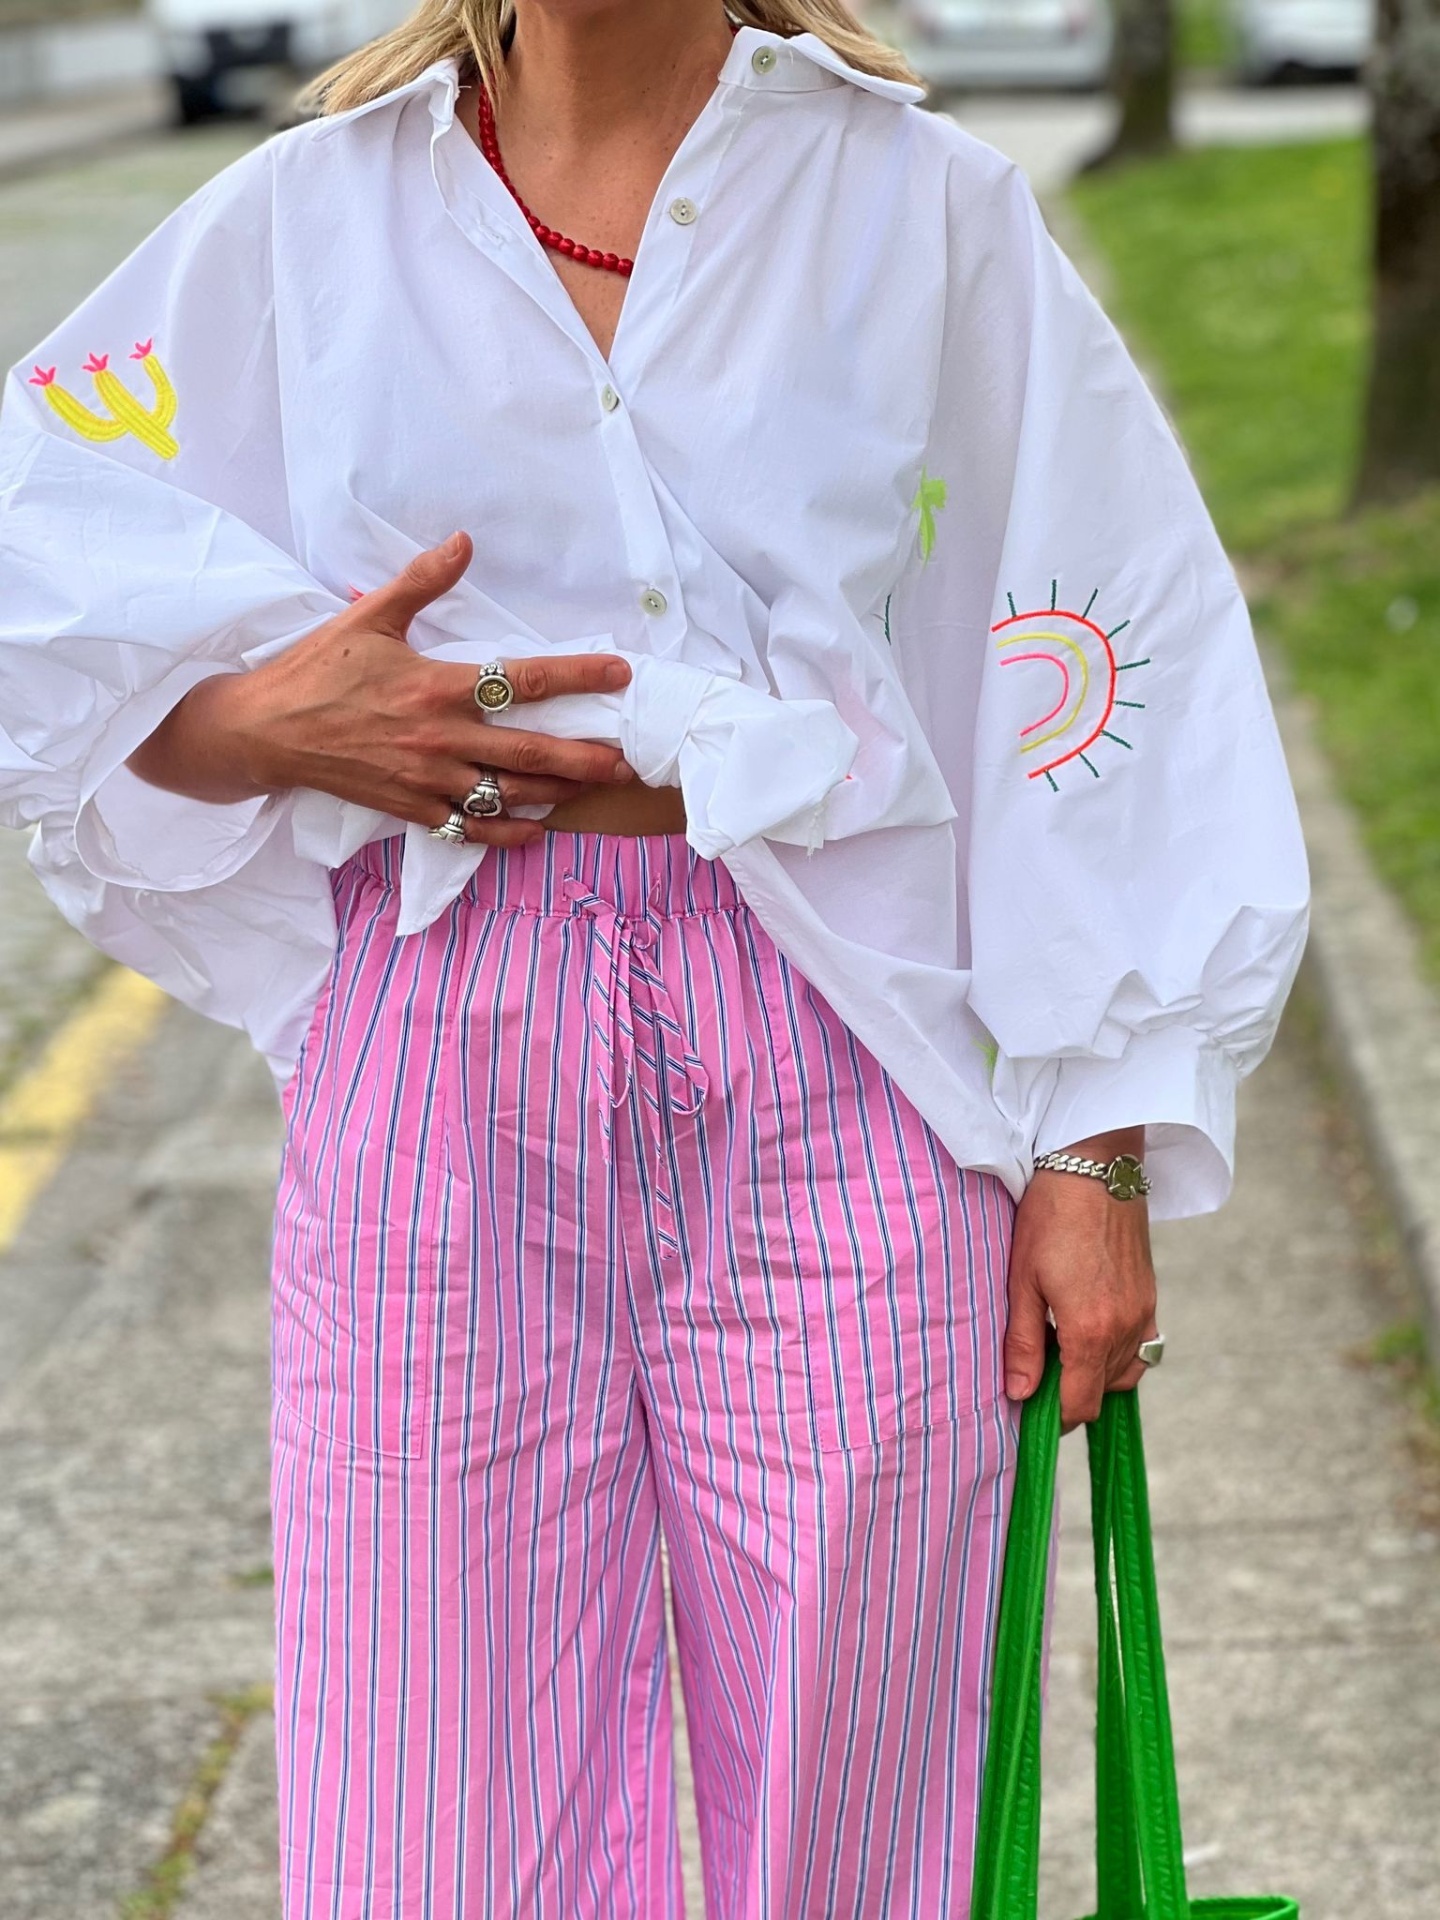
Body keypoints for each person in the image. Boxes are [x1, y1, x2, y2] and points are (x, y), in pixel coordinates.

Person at [0, 1, 1309, 1914]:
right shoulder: (306, 220)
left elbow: (1101, 644)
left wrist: (1099, 1145)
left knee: (864, 1786)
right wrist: (269, 730)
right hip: (444, 1045)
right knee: (433, 1797)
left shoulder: (921, 211)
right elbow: (55, 601)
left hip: (843, 1048)